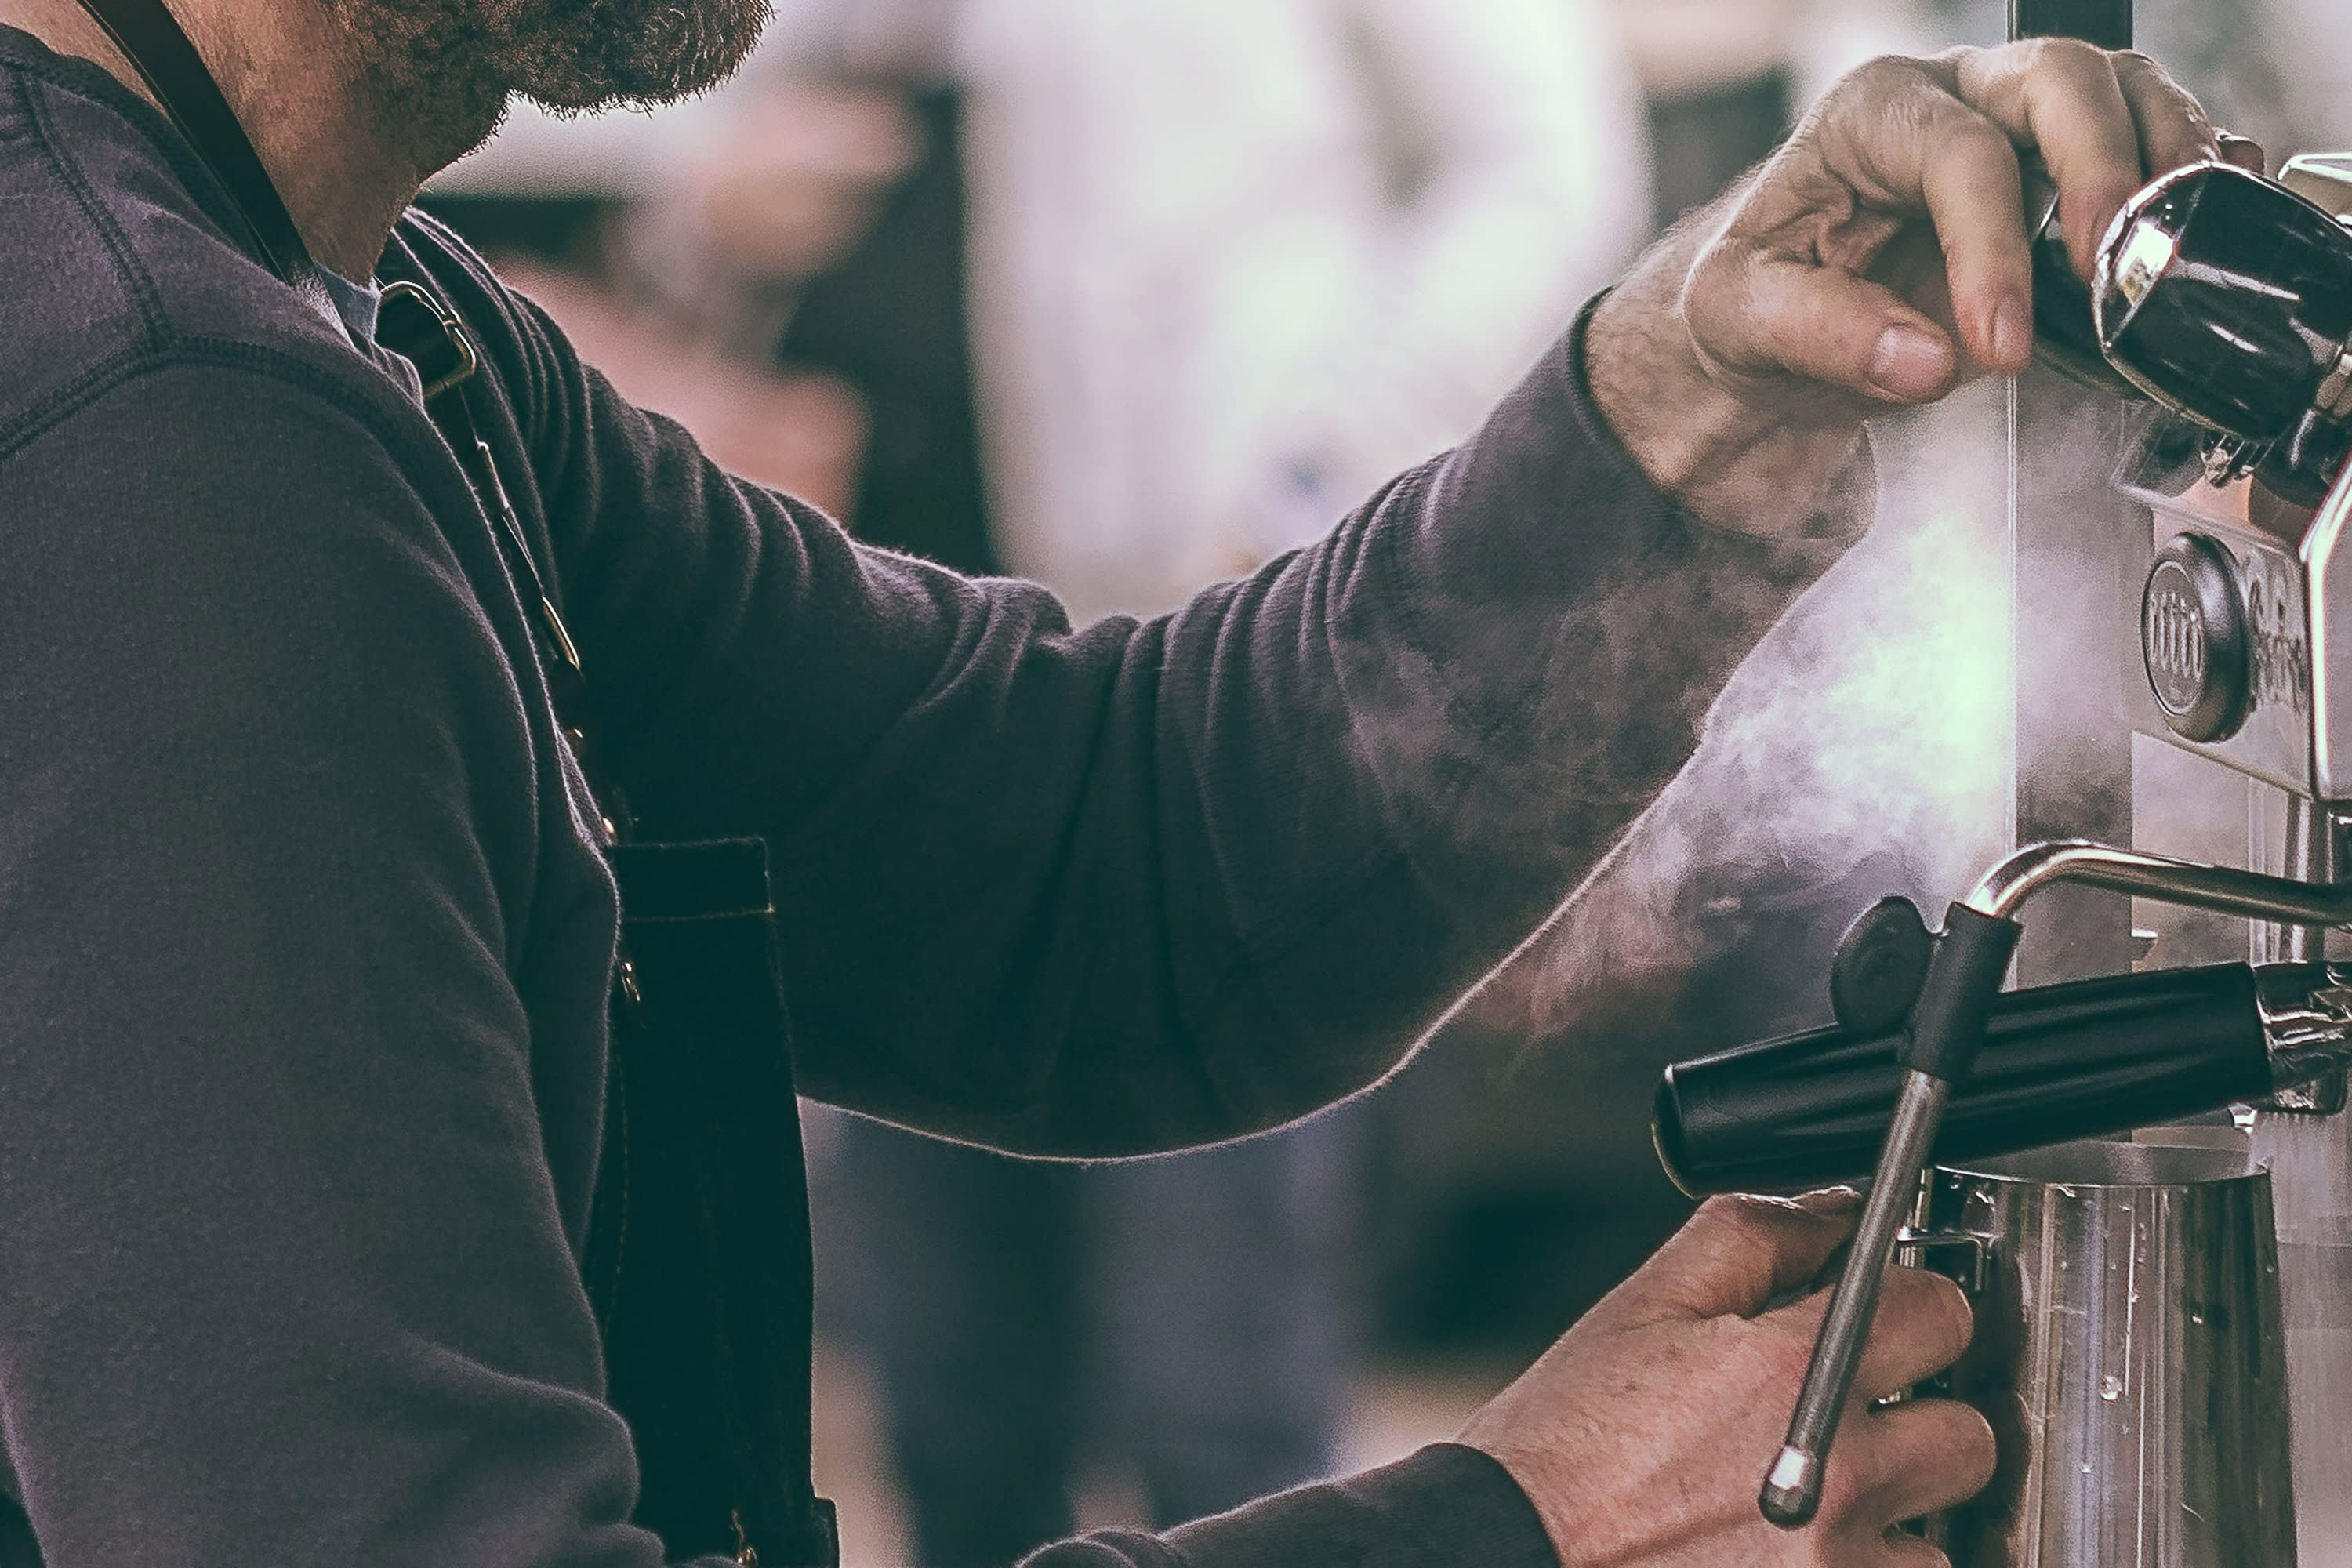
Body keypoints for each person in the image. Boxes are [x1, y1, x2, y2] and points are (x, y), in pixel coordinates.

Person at [0, 0, 2233, 1552]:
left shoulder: (394, 336)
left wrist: (1678, 412)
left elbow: (1098, 877)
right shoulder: (159, 437)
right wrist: (1514, 1531)